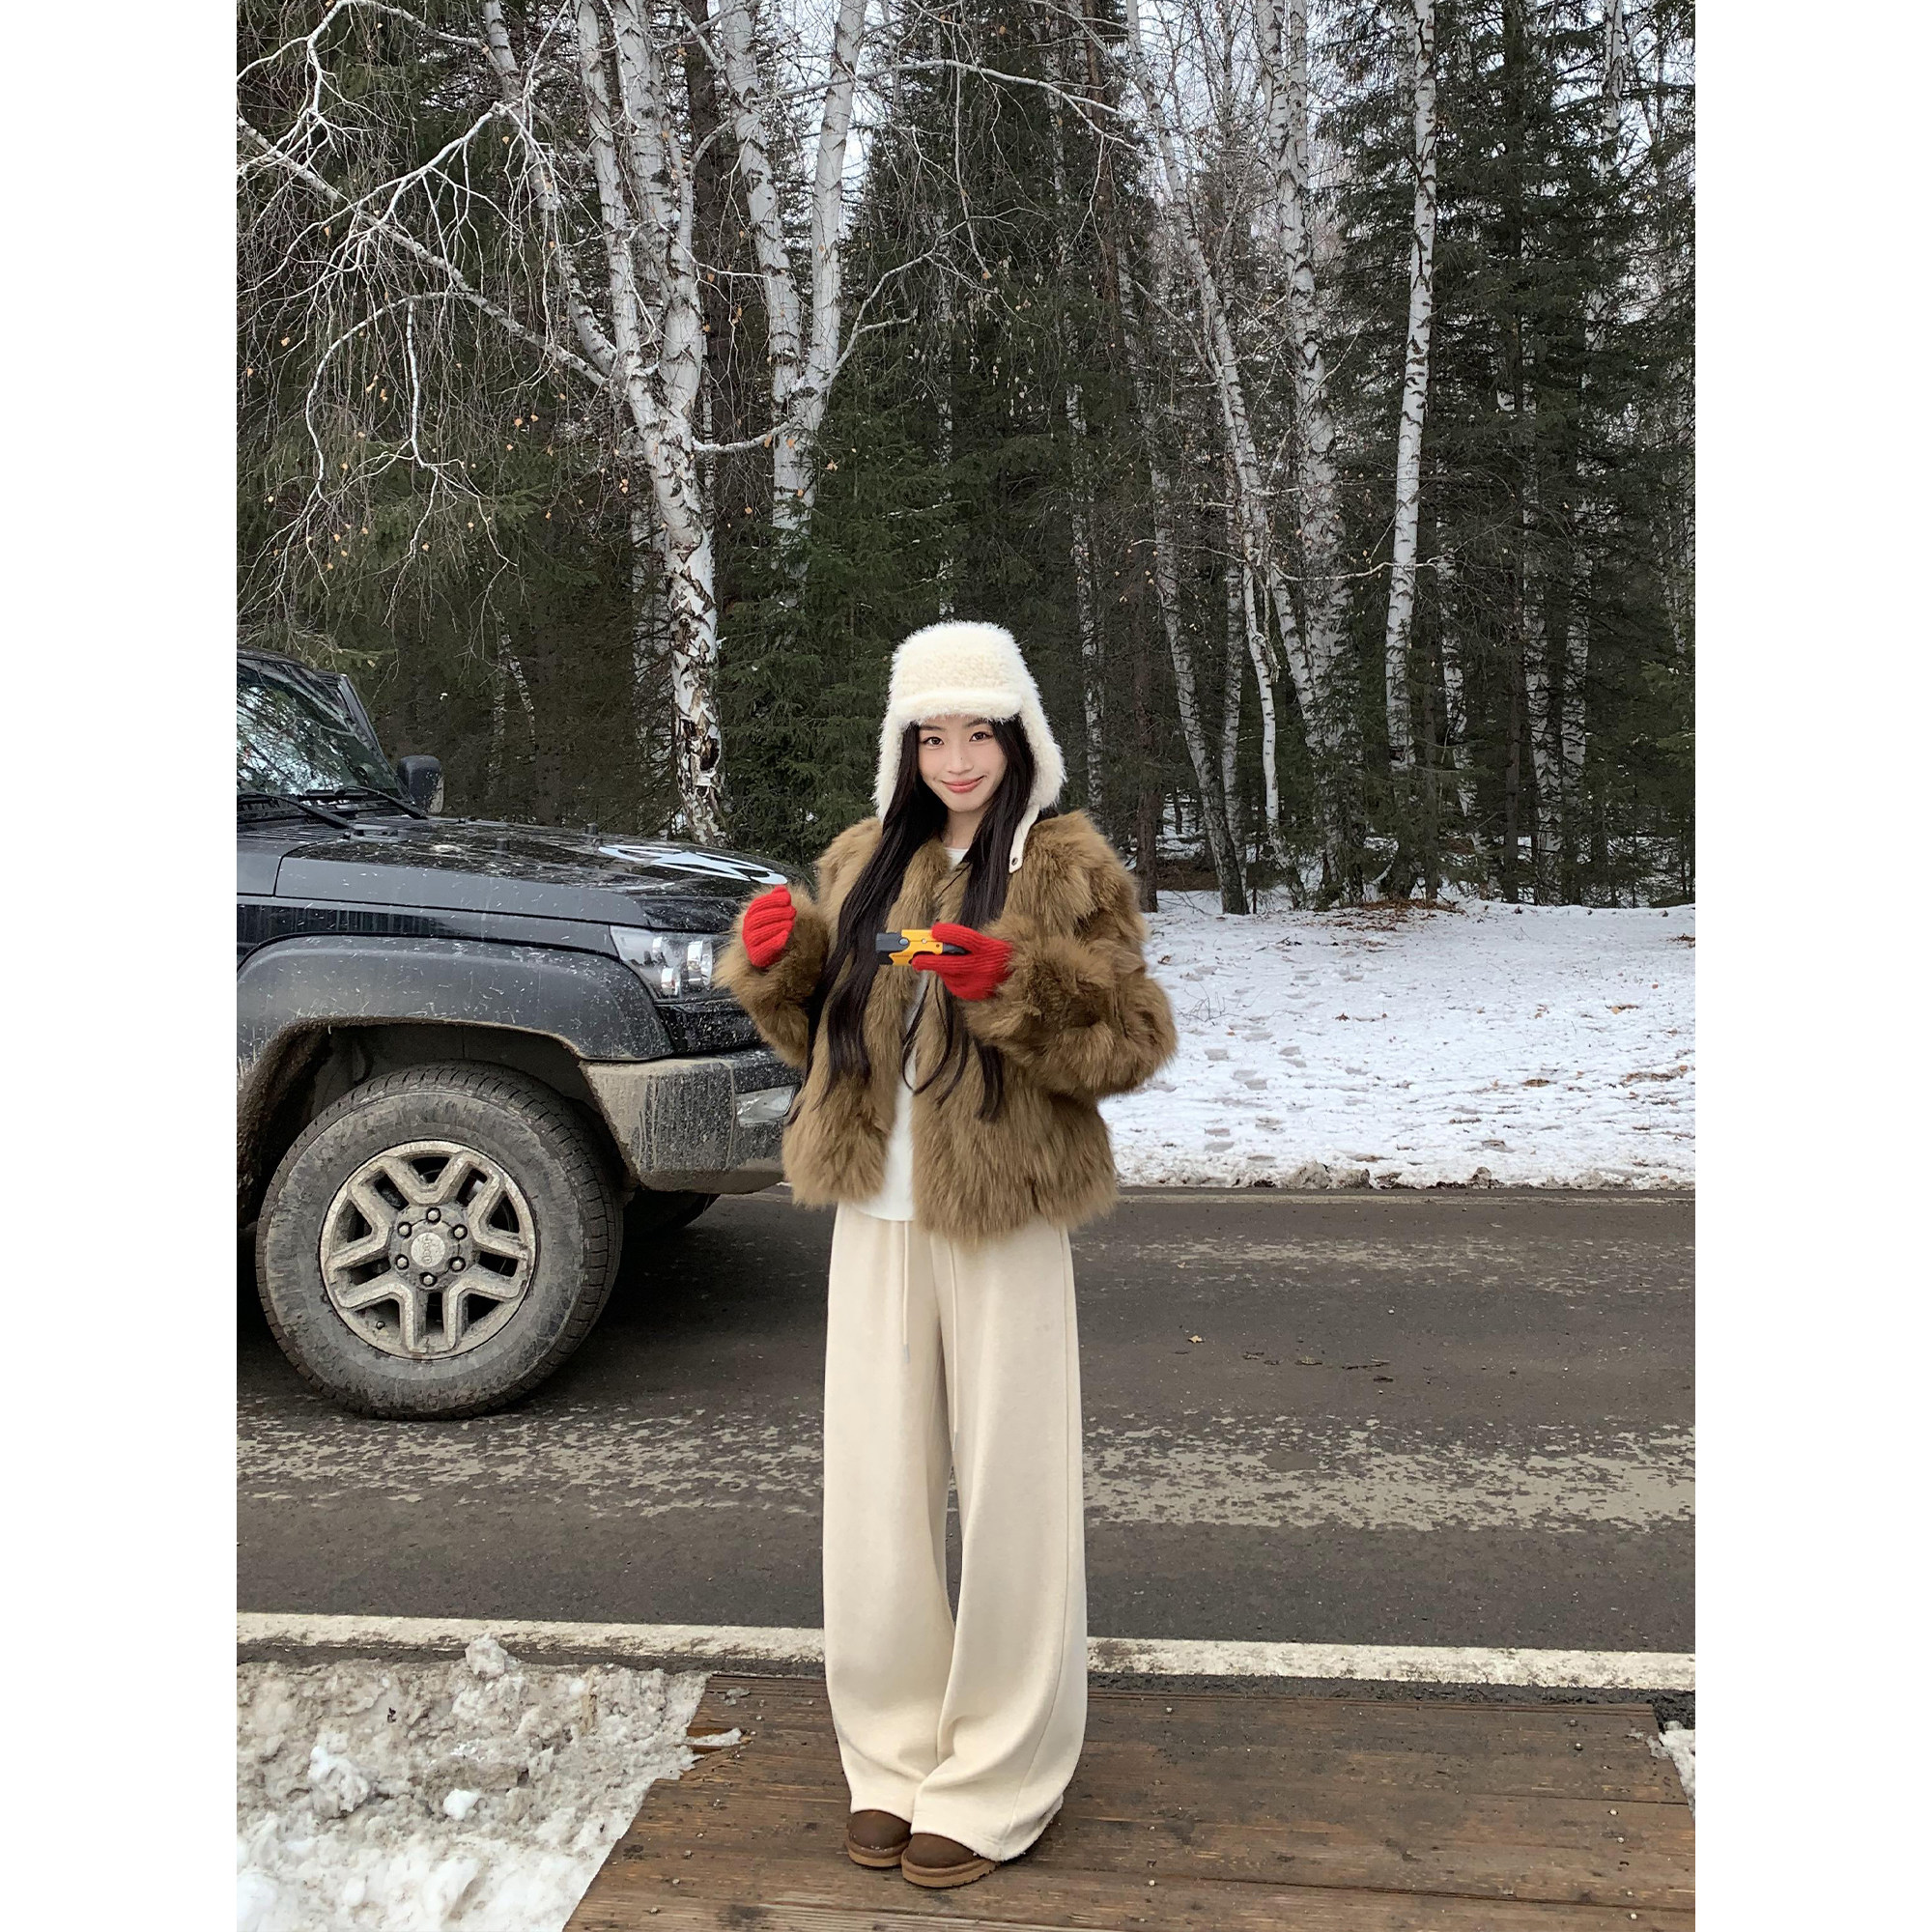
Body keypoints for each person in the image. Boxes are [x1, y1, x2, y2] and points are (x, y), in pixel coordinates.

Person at [716, 619, 1178, 1889]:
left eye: (981, 732)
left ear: (1021, 738)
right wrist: (779, 967)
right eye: (933, 735)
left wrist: (1015, 984)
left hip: (1009, 1212)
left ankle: (1000, 1774)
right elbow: (817, 1038)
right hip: (877, 1211)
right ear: (904, 746)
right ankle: (892, 1754)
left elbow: (1135, 1037)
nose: (958, 759)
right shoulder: (864, 859)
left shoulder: (1068, 866)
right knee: (876, 1500)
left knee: (1017, 1497)